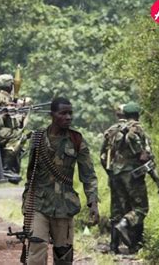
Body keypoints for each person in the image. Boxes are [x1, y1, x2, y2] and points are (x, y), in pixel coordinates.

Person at [21, 97, 99, 264]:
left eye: (70, 113)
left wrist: (93, 202)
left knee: (63, 256)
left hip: (65, 206)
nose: (68, 117)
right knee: (36, 251)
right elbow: (31, 174)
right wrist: (26, 202)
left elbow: (88, 174)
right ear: (52, 115)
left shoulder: (76, 140)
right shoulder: (38, 138)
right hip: (39, 204)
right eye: (63, 113)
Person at [100, 102, 151, 254]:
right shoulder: (138, 130)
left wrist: (110, 172)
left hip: (115, 175)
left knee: (117, 209)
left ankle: (114, 247)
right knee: (140, 208)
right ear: (137, 115)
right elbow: (146, 155)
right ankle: (127, 230)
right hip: (133, 175)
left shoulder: (112, 130)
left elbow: (102, 156)